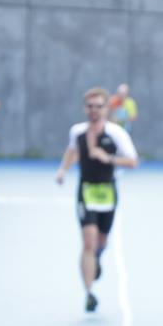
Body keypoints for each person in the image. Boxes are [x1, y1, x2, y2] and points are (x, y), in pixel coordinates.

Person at [55, 87, 139, 312]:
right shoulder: (77, 132)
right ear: (85, 109)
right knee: (88, 240)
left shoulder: (116, 133)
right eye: (90, 106)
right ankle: (89, 292)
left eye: (99, 106)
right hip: (86, 190)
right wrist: (63, 170)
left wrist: (108, 158)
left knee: (101, 241)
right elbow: (72, 150)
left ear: (106, 108)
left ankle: (97, 258)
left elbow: (133, 162)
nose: (94, 110)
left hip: (107, 191)